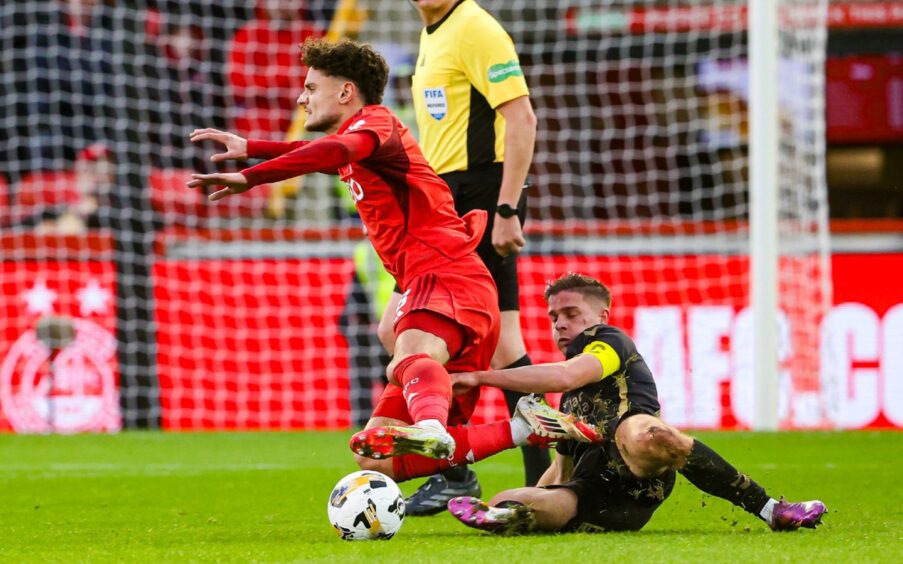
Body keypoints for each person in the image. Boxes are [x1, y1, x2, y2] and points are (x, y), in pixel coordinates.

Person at [187, 38, 599, 482]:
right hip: (449, 287)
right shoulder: (360, 145)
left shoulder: (377, 122)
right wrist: (251, 145)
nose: (302, 98)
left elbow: (333, 151)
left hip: (446, 274)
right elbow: (324, 155)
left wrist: (251, 176)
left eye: (311, 87)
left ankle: (431, 428)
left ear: (346, 92)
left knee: (407, 352)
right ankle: (522, 428)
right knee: (375, 454)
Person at [446, 272, 828, 534]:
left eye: (570, 314)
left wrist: (480, 377)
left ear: (601, 315)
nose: (559, 323)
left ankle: (770, 509)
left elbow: (564, 375)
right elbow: (561, 468)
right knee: (513, 499)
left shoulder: (609, 342)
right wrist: (527, 496)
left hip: (641, 471)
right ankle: (506, 516)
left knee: (641, 432)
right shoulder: (569, 401)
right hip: (598, 499)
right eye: (553, 317)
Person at [380, 0, 546, 517]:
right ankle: (462, 470)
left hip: (480, 194)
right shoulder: (434, 31)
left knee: (500, 344)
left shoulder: (476, 27)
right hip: (445, 200)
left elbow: (521, 117)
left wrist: (506, 208)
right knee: (397, 330)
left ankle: (532, 477)